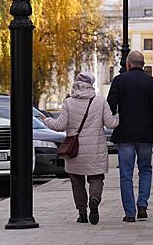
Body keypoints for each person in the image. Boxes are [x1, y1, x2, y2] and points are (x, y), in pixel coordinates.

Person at [43, 72, 119, 225]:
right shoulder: (99, 101)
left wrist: (46, 120)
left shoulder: (68, 103)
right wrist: (120, 115)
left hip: (75, 150)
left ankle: (82, 213)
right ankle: (95, 199)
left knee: (77, 181)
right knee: (96, 177)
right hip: (95, 149)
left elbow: (59, 126)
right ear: (91, 84)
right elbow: (111, 124)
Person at [108, 51, 153, 223]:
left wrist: (111, 121)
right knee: (146, 169)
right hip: (146, 135)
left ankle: (130, 212)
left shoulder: (119, 81)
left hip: (125, 134)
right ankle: (142, 205)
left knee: (126, 173)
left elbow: (109, 106)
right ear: (143, 64)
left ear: (128, 64)